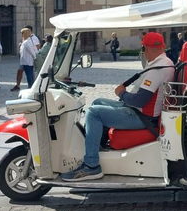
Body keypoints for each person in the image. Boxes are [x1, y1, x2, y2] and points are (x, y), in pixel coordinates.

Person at [62, 32, 175, 181]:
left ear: (146, 48)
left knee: (93, 113)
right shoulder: (163, 63)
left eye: (143, 49)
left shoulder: (157, 70)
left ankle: (91, 166)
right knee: (97, 102)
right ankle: (98, 147)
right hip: (140, 111)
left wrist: (121, 93)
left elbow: (140, 100)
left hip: (142, 116)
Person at [11, 25, 40, 91]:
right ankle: (30, 86)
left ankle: (30, 86)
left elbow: (32, 51)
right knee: (28, 74)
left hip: (28, 61)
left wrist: (35, 58)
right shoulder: (27, 41)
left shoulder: (27, 42)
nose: (21, 35)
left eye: (22, 33)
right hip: (25, 61)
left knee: (29, 75)